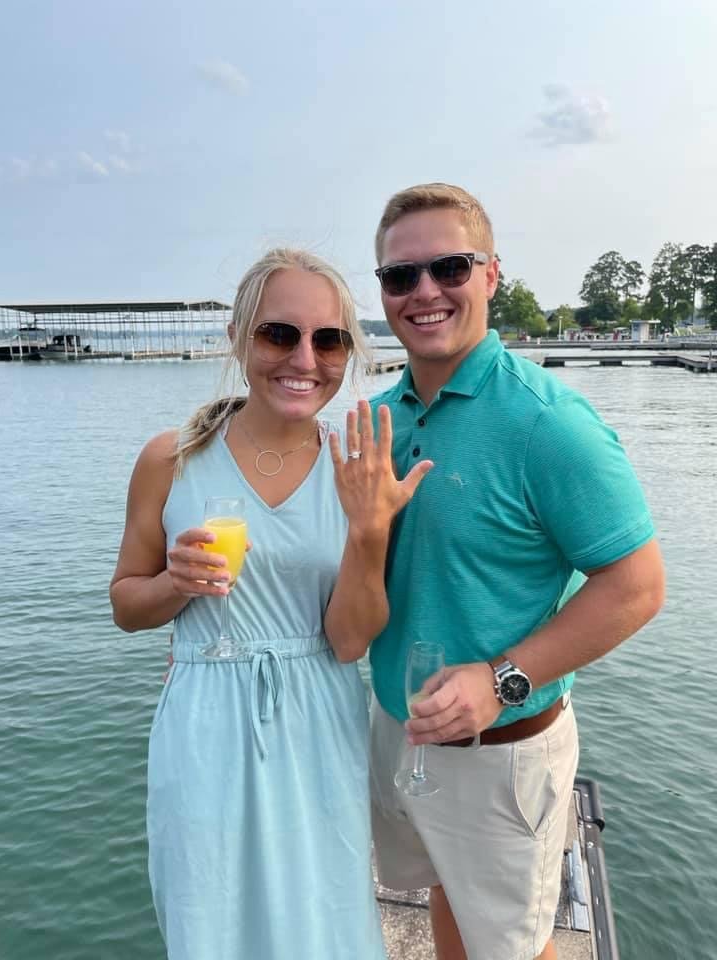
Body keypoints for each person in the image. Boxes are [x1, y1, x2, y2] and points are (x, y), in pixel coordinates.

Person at [366, 183, 666, 960]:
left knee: (514, 943)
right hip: (404, 732)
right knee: (443, 898)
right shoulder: (378, 420)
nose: (424, 291)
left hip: (500, 751)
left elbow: (636, 586)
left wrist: (498, 680)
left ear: (491, 275)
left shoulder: (548, 423)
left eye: (449, 267)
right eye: (401, 277)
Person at [109, 248, 431, 960]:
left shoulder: (357, 467)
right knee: (208, 910)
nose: (305, 360)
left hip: (319, 715)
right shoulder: (173, 458)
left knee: (322, 911)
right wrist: (173, 584)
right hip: (203, 718)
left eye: (329, 339)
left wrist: (371, 531)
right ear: (239, 337)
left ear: (348, 351)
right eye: (279, 334)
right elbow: (126, 606)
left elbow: (349, 642)